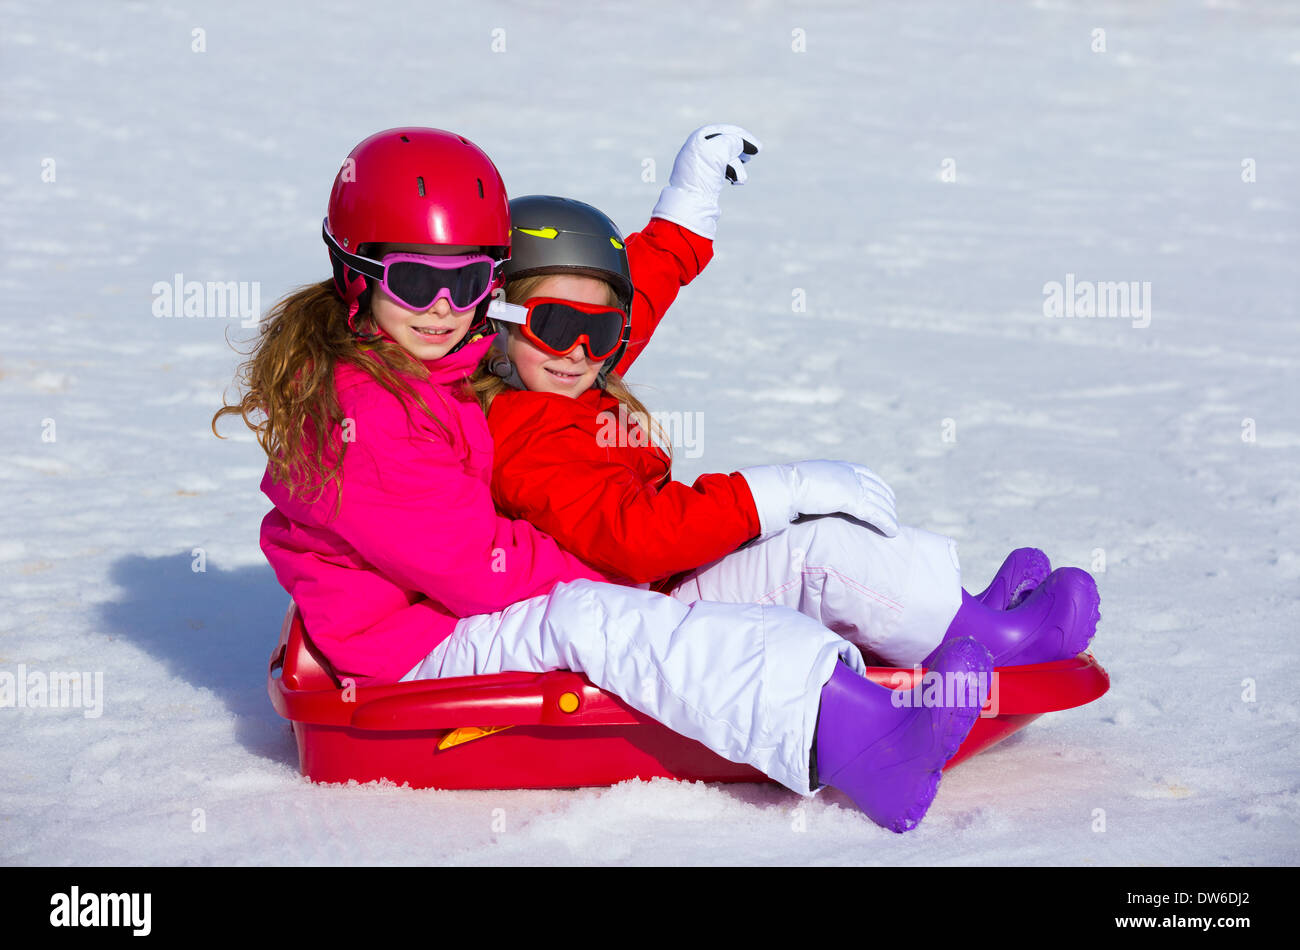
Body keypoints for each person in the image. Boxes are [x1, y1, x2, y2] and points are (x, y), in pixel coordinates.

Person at [213, 126, 997, 834]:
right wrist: (617, 576)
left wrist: (686, 214)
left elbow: (587, 316)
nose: (445, 308)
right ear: (355, 273)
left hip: (449, 606)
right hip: (412, 645)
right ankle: (859, 738)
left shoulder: (458, 352)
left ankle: (974, 631)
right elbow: (473, 566)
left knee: (704, 580)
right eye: (416, 283)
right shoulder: (369, 416)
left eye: (472, 280)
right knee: (591, 620)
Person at [476, 125, 1101, 670]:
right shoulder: (526, 432)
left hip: (662, 584)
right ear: (497, 320)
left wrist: (686, 209)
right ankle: (987, 641)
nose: (580, 350)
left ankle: (958, 614)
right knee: (817, 553)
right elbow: (635, 536)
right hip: (640, 613)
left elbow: (638, 295)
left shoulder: (555, 369)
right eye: (554, 325)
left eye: (603, 330)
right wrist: (776, 491)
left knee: (821, 526)